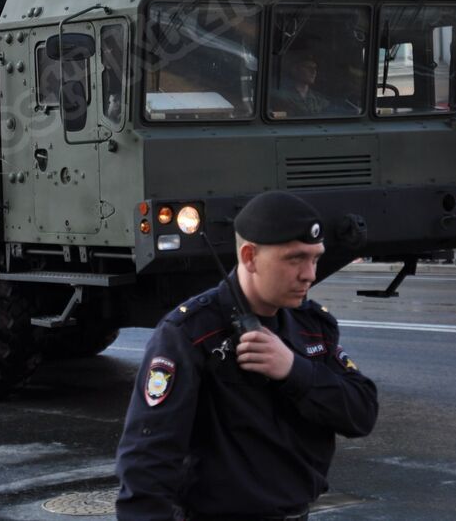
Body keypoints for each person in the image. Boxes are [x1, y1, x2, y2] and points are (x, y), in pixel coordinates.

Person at [116, 191, 378, 521]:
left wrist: (295, 370)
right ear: (250, 257)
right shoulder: (190, 332)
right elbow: (148, 460)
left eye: (314, 258)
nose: (309, 274)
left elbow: (362, 413)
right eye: (295, 259)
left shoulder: (312, 326)